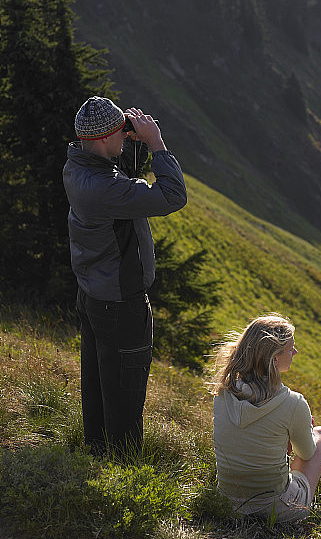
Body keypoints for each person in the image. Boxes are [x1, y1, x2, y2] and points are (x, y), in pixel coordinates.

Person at [63, 96, 187, 456]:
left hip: (93, 296)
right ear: (104, 139)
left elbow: (123, 188)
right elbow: (172, 196)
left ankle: (97, 459)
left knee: (101, 391)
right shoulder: (105, 188)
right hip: (121, 305)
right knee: (126, 397)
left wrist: (128, 145)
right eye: (120, 131)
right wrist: (156, 144)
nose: (125, 135)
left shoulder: (78, 167)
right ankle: (124, 476)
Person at [212, 313, 321, 523]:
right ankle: (294, 496)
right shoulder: (293, 403)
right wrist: (300, 431)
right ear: (275, 358)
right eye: (290, 348)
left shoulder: (223, 391)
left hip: (226, 501)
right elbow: (307, 453)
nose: (295, 352)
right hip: (278, 509)